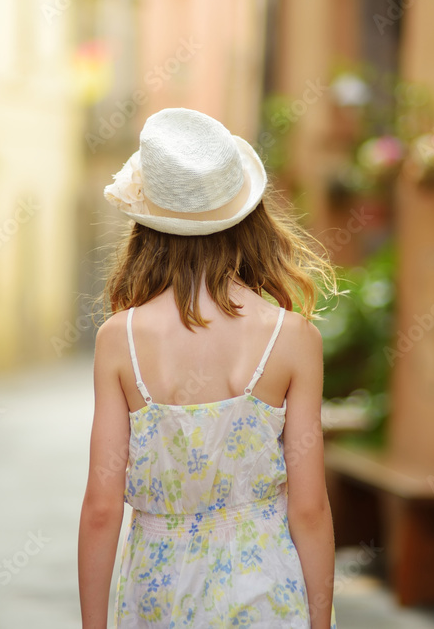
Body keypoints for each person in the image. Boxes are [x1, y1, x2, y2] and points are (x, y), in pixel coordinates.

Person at [78, 107, 339, 628]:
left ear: (147, 226)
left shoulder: (119, 341)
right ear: (249, 220)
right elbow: (308, 508)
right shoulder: (293, 340)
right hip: (264, 591)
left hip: (158, 597)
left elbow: (102, 507)